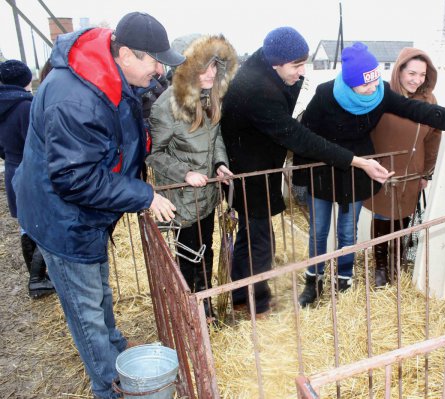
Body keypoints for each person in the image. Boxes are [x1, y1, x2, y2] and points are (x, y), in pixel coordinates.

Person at [12, 12, 183, 399]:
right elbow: (76, 178)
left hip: (85, 215)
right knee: (85, 309)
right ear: (124, 53)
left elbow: (120, 144)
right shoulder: (75, 99)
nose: (159, 71)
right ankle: (109, 387)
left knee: (100, 293)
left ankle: (116, 353)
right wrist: (144, 195)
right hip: (62, 218)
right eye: (153, 60)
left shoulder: (109, 78)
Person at [293, 42, 445, 307]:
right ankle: (313, 282)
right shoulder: (325, 94)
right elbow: (305, 137)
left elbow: (415, 109)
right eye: (365, 85)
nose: (373, 88)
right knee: (318, 231)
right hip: (322, 170)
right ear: (350, 83)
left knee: (348, 231)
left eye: (376, 82)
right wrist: (300, 180)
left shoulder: (379, 92)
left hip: (356, 171)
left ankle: (344, 281)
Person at [220, 27, 392, 317]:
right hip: (250, 173)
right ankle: (256, 305)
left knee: (252, 237)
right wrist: (358, 161)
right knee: (260, 241)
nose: (302, 72)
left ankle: (241, 297)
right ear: (276, 63)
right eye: (296, 66)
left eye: (303, 63)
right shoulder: (258, 91)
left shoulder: (264, 68)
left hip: (251, 169)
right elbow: (300, 138)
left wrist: (292, 80)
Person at [146, 34, 237, 319]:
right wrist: (185, 173)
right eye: (206, 66)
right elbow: (154, 155)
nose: (212, 73)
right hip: (183, 200)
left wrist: (220, 164)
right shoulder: (165, 106)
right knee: (189, 255)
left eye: (216, 66)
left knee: (207, 249)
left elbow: (216, 135)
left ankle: (205, 302)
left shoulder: (209, 96)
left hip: (207, 194)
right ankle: (190, 310)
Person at [365, 47, 441, 287]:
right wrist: (367, 163)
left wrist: (427, 171)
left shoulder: (429, 100)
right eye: (412, 73)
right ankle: (380, 267)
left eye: (422, 75)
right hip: (383, 172)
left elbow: (433, 138)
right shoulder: (381, 96)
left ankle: (397, 262)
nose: (417, 80)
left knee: (404, 219)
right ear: (399, 71)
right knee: (382, 217)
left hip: (412, 173)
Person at [0, 59, 54, 298]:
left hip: (13, 167)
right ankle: (38, 279)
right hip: (32, 168)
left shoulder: (3, 105)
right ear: (25, 80)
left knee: (26, 224)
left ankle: (36, 278)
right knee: (42, 223)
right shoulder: (25, 106)